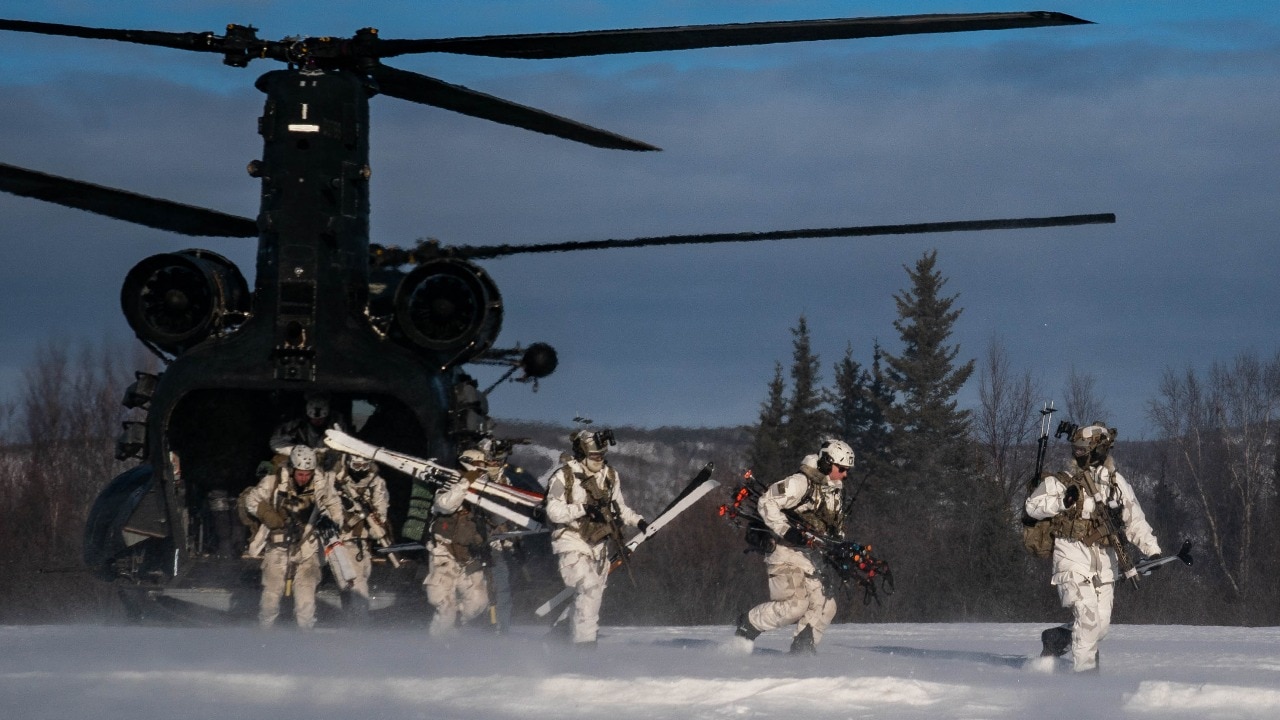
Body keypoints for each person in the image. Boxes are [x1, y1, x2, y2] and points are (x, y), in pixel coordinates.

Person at [1024, 423, 1162, 673]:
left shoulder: (1115, 482)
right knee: (1087, 623)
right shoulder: (1063, 481)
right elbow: (1032, 506)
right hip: (1071, 557)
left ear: (1099, 449)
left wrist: (1151, 548)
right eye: (1075, 449)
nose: (1077, 454)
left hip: (1105, 562)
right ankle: (1086, 684)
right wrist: (1063, 502)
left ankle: (1056, 639)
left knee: (1100, 627)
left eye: (1083, 449)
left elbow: (1134, 518)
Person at [734, 439, 854, 654]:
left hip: (812, 557)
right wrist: (787, 531)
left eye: (847, 470)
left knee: (826, 605)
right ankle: (749, 624)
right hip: (785, 552)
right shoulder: (800, 483)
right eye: (842, 468)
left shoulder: (835, 490)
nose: (845, 474)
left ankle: (803, 650)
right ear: (827, 463)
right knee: (796, 604)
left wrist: (840, 547)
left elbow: (834, 526)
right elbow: (766, 502)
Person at [543, 429, 647, 648]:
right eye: (594, 456)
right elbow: (553, 511)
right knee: (589, 589)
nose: (599, 459)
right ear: (582, 454)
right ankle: (585, 646)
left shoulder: (610, 475)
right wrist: (583, 509)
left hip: (599, 545)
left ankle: (562, 634)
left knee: (593, 594)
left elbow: (619, 507)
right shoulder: (563, 476)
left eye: (602, 455)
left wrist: (638, 521)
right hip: (571, 540)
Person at [244, 446, 345, 630]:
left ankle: (304, 643)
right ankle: (264, 638)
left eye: (308, 474)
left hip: (307, 551)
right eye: (300, 474)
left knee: (305, 607)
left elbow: (337, 511)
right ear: (292, 469)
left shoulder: (323, 487)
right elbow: (251, 500)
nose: (304, 478)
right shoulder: (274, 482)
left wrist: (327, 521)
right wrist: (268, 515)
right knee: (270, 600)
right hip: (278, 549)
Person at [423, 448, 492, 637]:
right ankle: (437, 648)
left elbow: (494, 520)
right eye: (479, 466)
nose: (482, 470)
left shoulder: (485, 491)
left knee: (478, 602)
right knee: (444, 604)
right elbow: (444, 504)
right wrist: (465, 483)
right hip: (443, 552)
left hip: (468, 555)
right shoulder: (450, 483)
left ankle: (457, 628)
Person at [332, 453, 392, 624]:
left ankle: (357, 624)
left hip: (359, 542)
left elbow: (381, 510)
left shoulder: (376, 483)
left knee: (357, 582)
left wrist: (375, 522)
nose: (360, 470)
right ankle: (355, 623)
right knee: (349, 585)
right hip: (337, 540)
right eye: (356, 466)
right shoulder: (335, 480)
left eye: (363, 466)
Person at [268, 391, 351, 465]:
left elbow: (346, 446)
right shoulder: (296, 425)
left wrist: (326, 453)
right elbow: (276, 443)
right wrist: (301, 451)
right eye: (314, 419)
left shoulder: (337, 425)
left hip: (328, 463)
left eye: (321, 419)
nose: (317, 421)